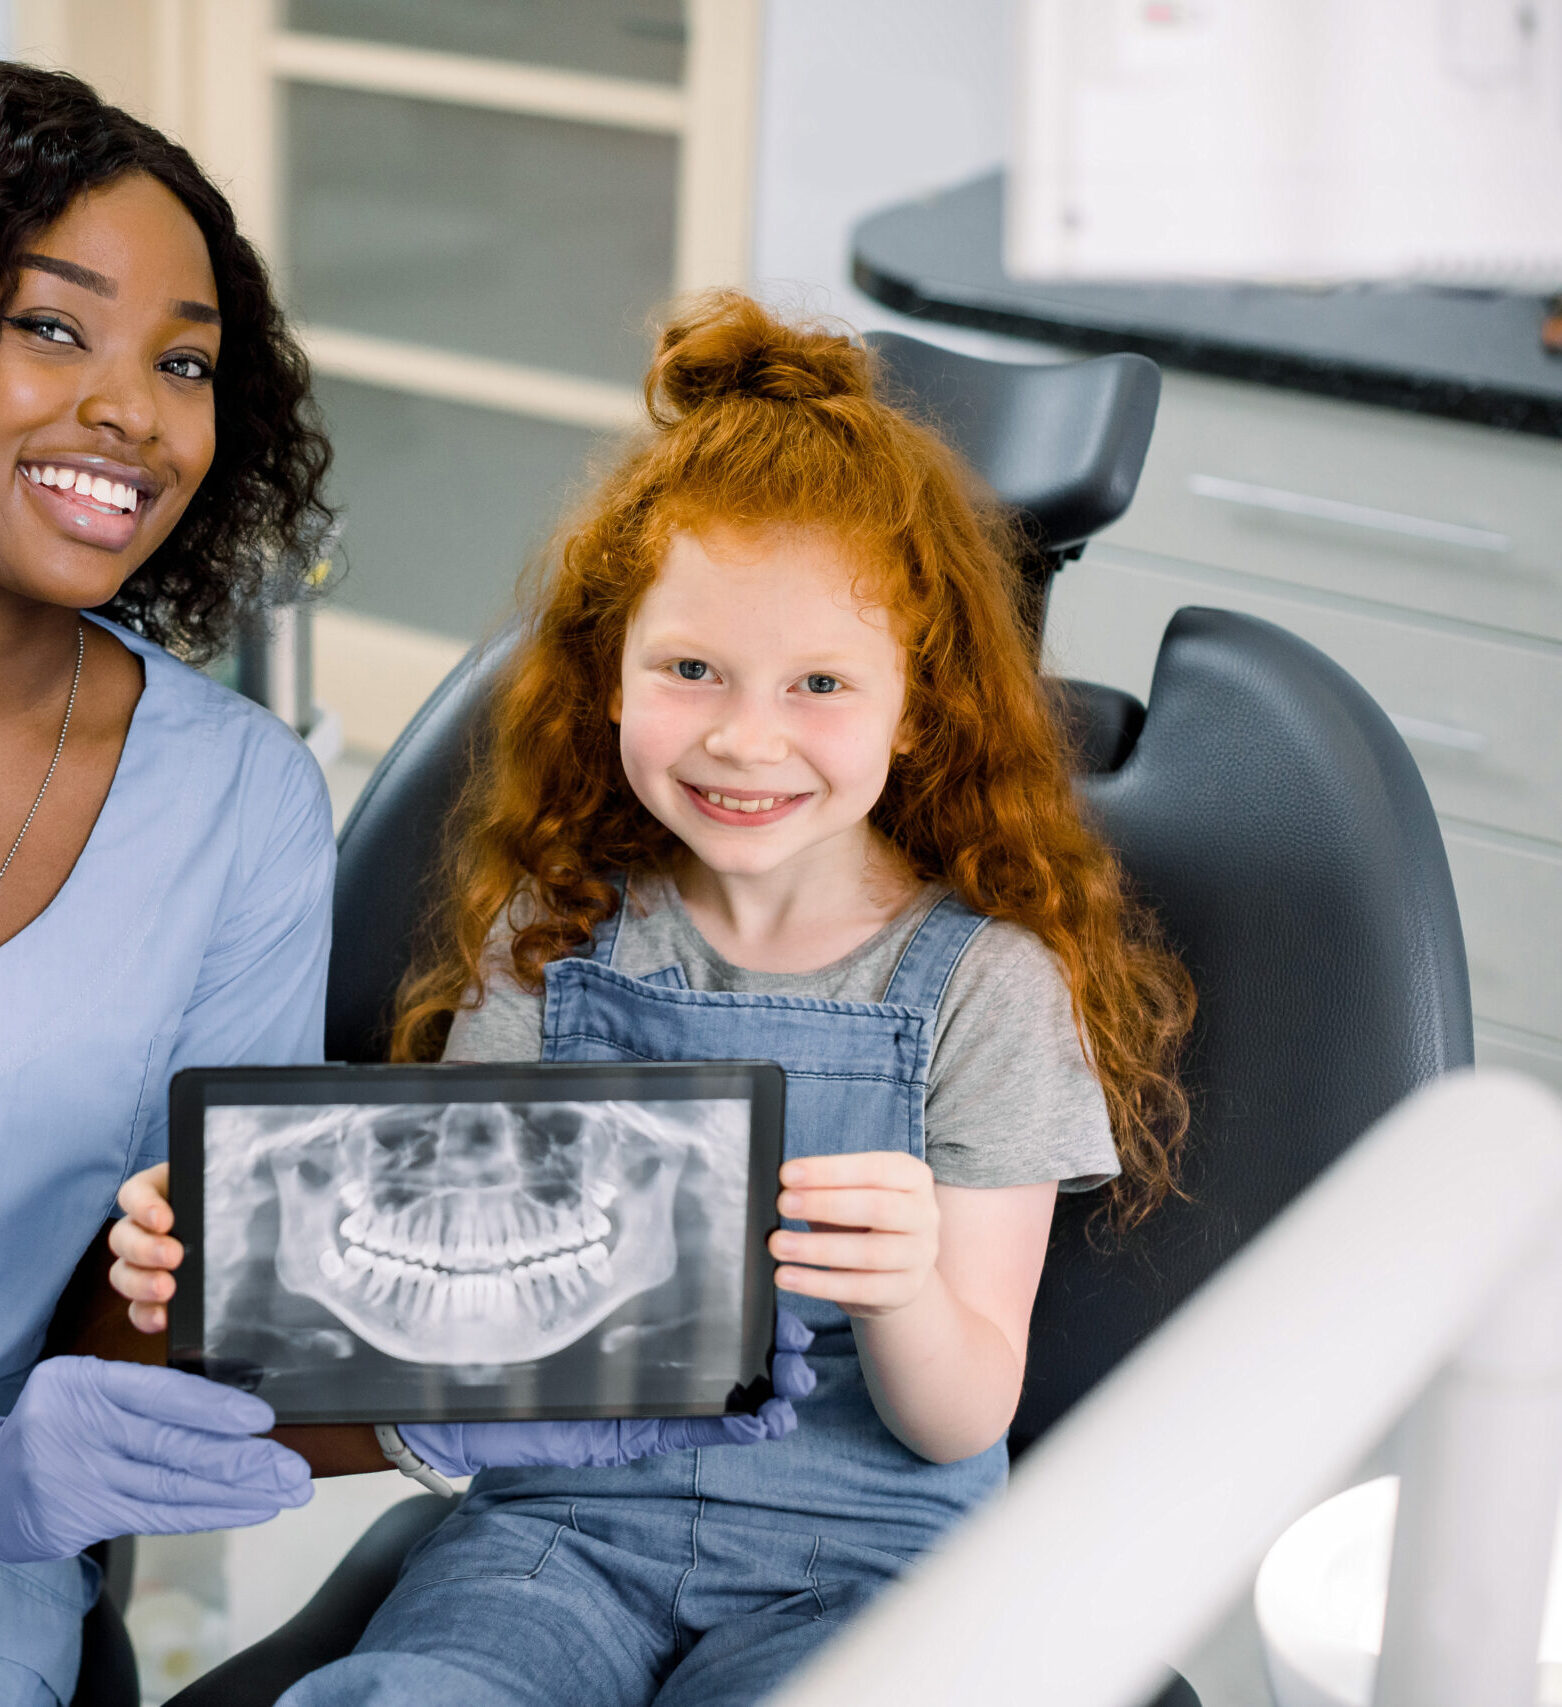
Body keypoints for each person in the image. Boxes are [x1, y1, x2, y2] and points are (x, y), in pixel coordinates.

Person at [246, 290, 1190, 1705]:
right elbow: (460, 1324)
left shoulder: (985, 988)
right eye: (690, 670)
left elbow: (960, 1416)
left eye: (819, 683)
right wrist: (251, 1244)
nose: (747, 737)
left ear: (914, 706)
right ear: (608, 681)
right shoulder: (547, 943)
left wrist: (903, 1291)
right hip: (557, 1536)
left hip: (868, 1559)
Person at [0, 67, 805, 1707]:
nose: (133, 413)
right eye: (49, 327)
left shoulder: (232, 799)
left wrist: (469, 1380)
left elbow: (169, 1319)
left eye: (184, 362)